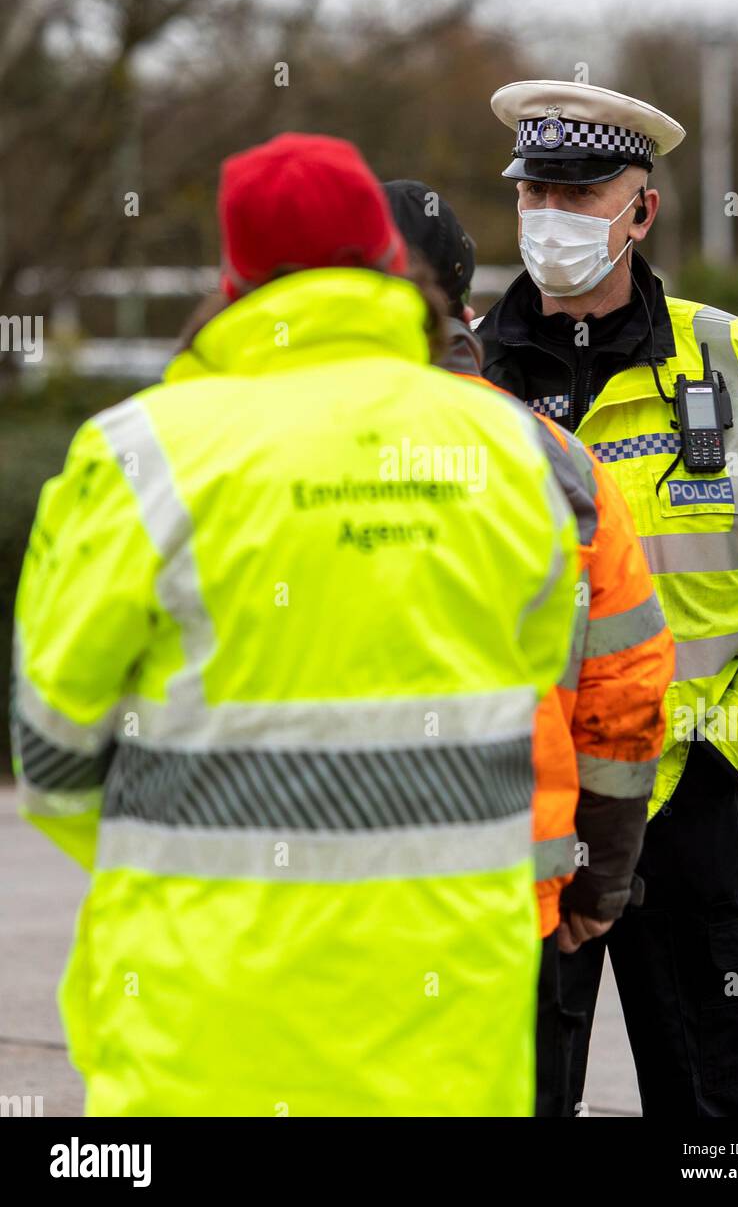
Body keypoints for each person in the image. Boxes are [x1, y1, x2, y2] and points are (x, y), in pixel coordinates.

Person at [12, 132, 583, 1118]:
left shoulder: (139, 453)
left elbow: (53, 750)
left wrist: (184, 851)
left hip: (199, 1030)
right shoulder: (513, 451)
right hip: (450, 1028)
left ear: (230, 276)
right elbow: (533, 679)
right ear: (386, 262)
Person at [476, 80, 738, 1117]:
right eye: (534, 194)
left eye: (579, 192)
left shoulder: (735, 365)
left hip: (687, 802)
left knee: (710, 1100)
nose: (550, 218)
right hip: (514, 802)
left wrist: (725, 746)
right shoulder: (460, 381)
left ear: (639, 210)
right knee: (504, 1091)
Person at [384, 177, 674, 1115]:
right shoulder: (552, 461)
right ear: (461, 304)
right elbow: (624, 691)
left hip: (273, 915)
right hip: (505, 905)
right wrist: (602, 879)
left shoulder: (213, 455)